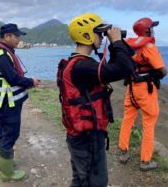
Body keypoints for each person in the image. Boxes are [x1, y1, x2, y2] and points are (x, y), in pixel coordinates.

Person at [57, 13, 135, 187]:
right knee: (96, 182)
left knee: (81, 178)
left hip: (79, 135)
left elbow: (115, 68)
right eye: (99, 33)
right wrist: (116, 41)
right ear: (86, 36)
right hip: (87, 138)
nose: (101, 37)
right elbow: (126, 68)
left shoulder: (77, 63)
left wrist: (116, 45)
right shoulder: (83, 66)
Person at [0, 23, 41, 182]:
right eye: (16, 36)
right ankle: (7, 173)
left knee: (1, 131)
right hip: (8, 102)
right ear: (7, 37)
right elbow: (13, 78)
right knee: (10, 133)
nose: (19, 39)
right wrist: (31, 81)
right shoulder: (3, 55)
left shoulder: (1, 52)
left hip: (2, 101)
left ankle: (0, 164)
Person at [118, 18, 168, 171]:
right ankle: (145, 161)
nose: (153, 30)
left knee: (128, 119)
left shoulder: (129, 45)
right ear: (147, 30)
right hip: (146, 90)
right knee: (149, 123)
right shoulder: (149, 47)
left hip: (131, 88)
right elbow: (163, 71)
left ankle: (123, 152)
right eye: (151, 27)